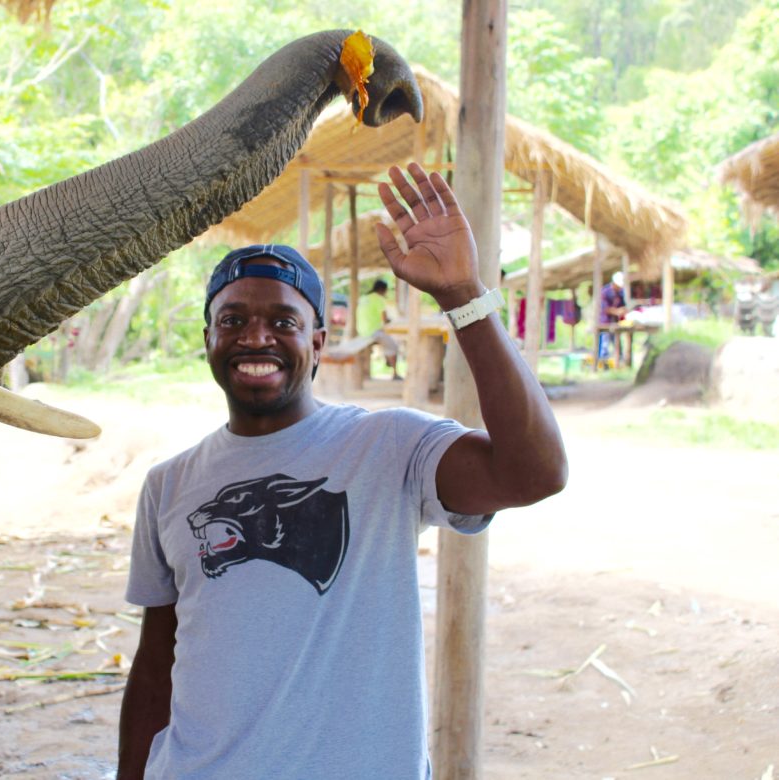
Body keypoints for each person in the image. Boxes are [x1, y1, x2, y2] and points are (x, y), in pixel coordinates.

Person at [117, 163, 568, 779]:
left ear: (319, 344)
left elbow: (535, 474)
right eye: (233, 320)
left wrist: (464, 295)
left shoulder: (389, 448)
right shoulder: (169, 484)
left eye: (284, 322)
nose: (256, 337)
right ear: (208, 339)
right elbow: (156, 663)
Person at [357, 278, 402, 379]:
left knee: (387, 341)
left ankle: (387, 359)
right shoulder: (379, 299)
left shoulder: (364, 298)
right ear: (382, 289)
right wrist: (390, 320)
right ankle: (395, 372)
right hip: (373, 332)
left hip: (361, 332)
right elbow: (385, 319)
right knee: (394, 346)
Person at [598, 271, 627, 364]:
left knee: (617, 343)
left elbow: (623, 305)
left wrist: (623, 311)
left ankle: (620, 361)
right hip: (605, 321)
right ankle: (603, 362)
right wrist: (616, 311)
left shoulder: (621, 293)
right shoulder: (605, 292)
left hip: (615, 322)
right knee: (604, 343)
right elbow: (604, 308)